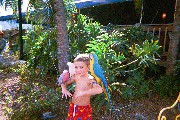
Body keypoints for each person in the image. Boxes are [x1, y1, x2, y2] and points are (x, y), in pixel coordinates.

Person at [59, 54, 103, 120]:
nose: (78, 70)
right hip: (73, 106)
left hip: (84, 108)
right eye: (76, 67)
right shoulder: (76, 77)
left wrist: (83, 93)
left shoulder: (90, 79)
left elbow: (99, 89)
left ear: (88, 67)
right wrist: (64, 89)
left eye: (81, 67)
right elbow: (63, 82)